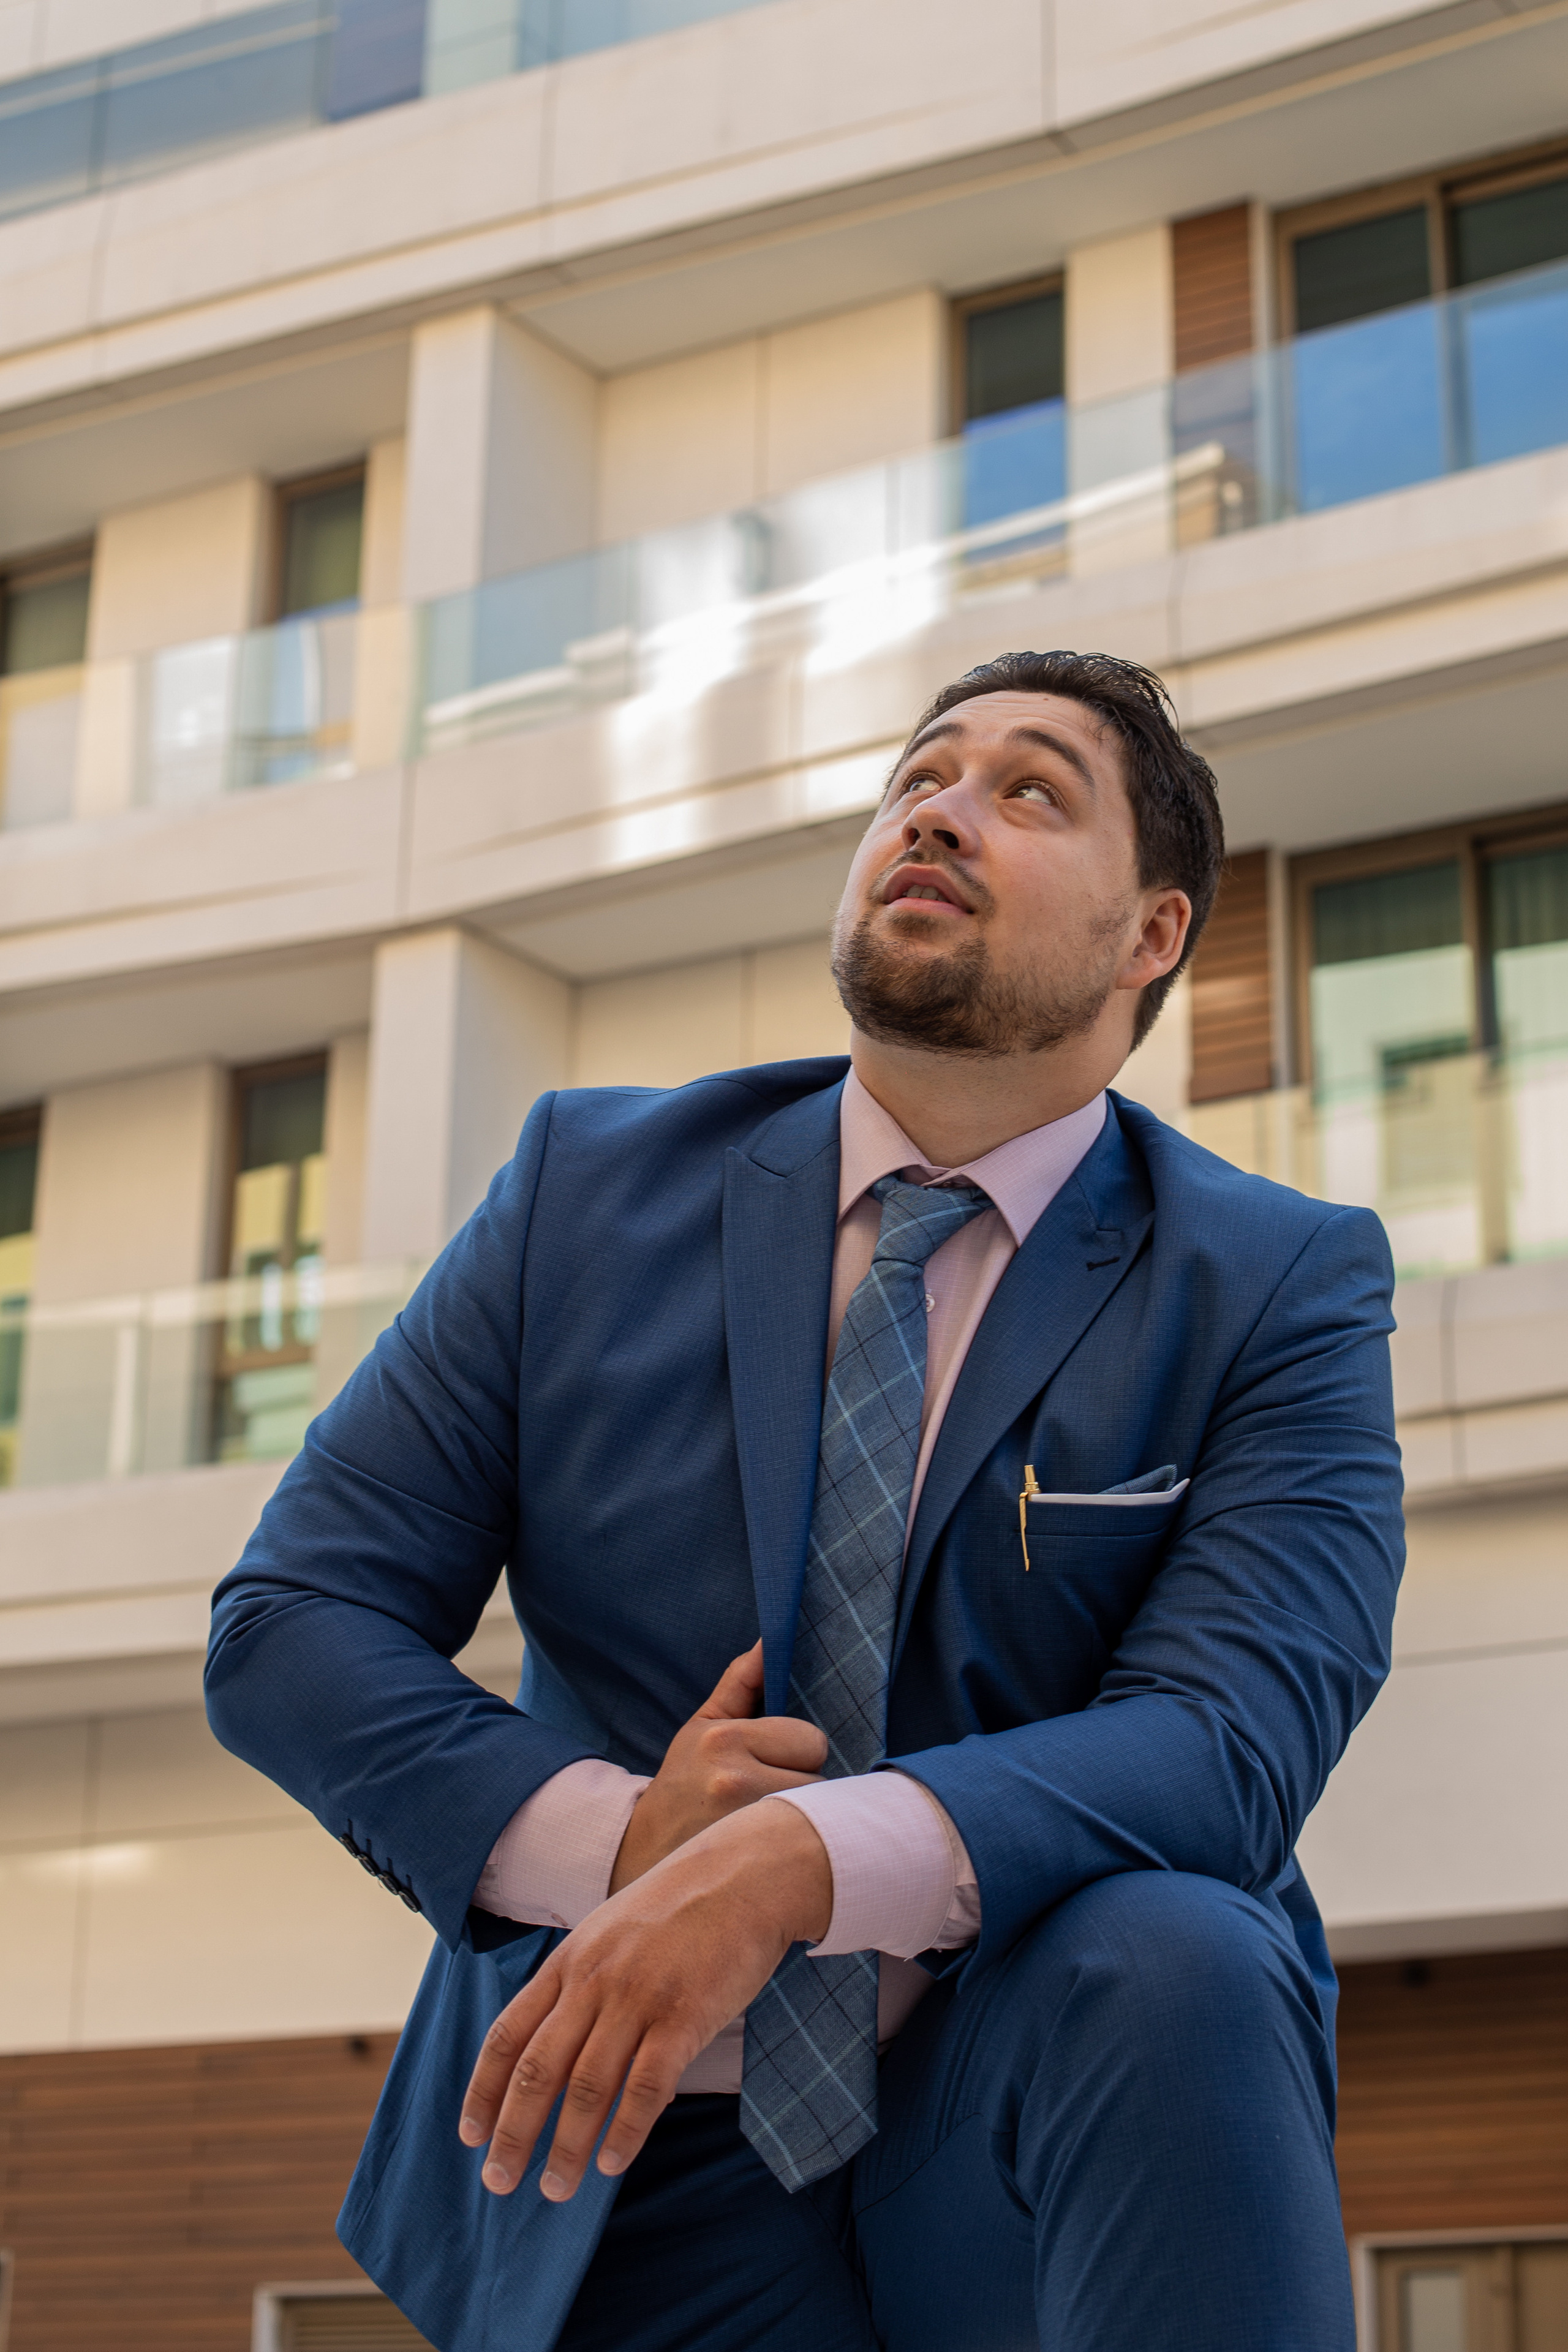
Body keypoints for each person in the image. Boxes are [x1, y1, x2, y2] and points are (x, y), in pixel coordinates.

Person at [206, 649, 1403, 2352]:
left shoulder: (1277, 1280)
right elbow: (289, 1625)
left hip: (1036, 2112)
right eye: (922, 775)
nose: (941, 809)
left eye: (1030, 789)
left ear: (1152, 935)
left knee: (1183, 1948)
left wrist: (791, 1862)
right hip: (631, 2146)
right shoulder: (580, 1194)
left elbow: (1231, 1736)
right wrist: (623, 1842)